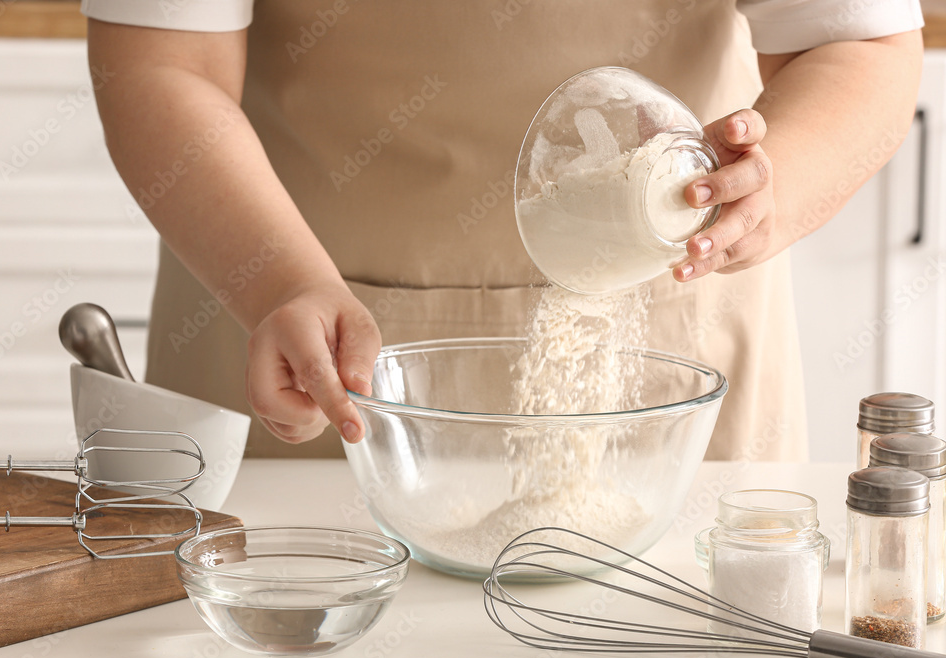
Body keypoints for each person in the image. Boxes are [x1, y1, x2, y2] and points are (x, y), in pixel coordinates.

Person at [81, 1, 924, 461]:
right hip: (304, 350)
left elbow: (857, 44)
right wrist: (282, 284)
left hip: (668, 345)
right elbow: (163, 65)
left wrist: (770, 189)